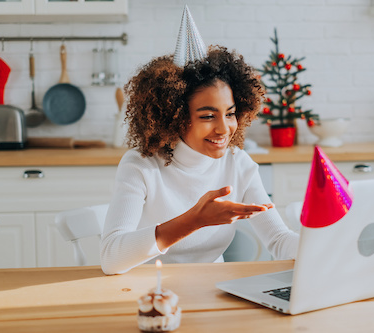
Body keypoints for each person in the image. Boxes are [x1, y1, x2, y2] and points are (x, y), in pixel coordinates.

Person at [100, 7, 299, 275]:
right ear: (175, 116)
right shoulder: (141, 166)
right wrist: (195, 220)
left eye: (229, 114)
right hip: (149, 292)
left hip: (211, 289)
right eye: (207, 116)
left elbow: (279, 241)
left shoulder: (238, 164)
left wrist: (327, 243)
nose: (223, 129)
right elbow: (111, 257)